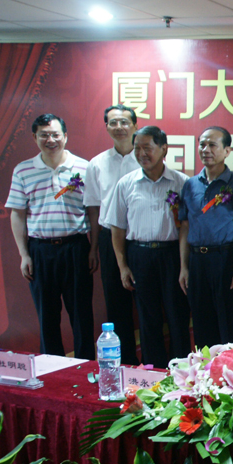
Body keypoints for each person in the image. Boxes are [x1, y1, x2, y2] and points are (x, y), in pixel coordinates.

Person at [5, 113, 96, 359]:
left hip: (76, 247)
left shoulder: (84, 167)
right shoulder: (23, 170)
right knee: (47, 316)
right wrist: (24, 254)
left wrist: (93, 249)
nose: (51, 140)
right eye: (44, 135)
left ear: (65, 136)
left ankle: (85, 367)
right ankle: (51, 370)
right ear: (34, 137)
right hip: (40, 250)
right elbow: (17, 214)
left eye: (56, 134)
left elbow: (93, 210)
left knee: (82, 314)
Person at [105, 126, 190, 368]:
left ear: (164, 149)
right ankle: (152, 370)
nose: (142, 153)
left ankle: (181, 370)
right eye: (137, 148)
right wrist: (123, 266)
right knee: (147, 317)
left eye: (147, 148)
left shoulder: (181, 183)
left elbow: (186, 227)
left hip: (172, 254)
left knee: (177, 315)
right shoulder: (126, 184)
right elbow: (117, 228)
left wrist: (184, 266)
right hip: (139, 254)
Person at [178, 127, 233, 348]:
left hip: (227, 260)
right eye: (202, 145)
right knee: (201, 325)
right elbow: (184, 227)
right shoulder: (190, 185)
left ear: (227, 151)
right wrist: (184, 267)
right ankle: (205, 369)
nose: (206, 150)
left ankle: (231, 370)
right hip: (197, 261)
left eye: (212, 145)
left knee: (229, 326)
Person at [83, 104, 141, 365]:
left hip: (140, 238)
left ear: (135, 126)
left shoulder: (147, 158)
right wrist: (94, 247)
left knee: (147, 303)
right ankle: (124, 361)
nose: (119, 127)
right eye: (113, 122)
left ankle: (152, 363)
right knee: (116, 303)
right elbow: (94, 209)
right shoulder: (97, 164)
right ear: (106, 127)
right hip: (109, 239)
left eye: (124, 122)